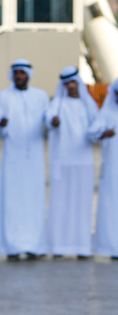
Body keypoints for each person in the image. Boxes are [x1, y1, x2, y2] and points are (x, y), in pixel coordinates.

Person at [46, 67, 112, 258]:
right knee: (61, 204)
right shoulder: (57, 103)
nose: (71, 86)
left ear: (78, 83)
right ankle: (59, 247)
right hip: (63, 162)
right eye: (67, 83)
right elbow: (49, 120)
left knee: (82, 204)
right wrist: (54, 122)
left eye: (73, 82)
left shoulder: (88, 104)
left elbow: (96, 128)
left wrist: (102, 133)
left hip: (83, 162)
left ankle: (82, 247)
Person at [0, 59, 49, 260]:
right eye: (16, 74)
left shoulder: (40, 96)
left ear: (28, 75)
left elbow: (48, 120)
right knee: (13, 201)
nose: (19, 77)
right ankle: (13, 247)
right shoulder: (4, 97)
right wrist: (1, 124)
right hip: (12, 159)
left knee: (34, 201)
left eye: (22, 73)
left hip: (35, 160)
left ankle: (35, 246)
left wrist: (53, 122)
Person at [95, 78, 118, 258]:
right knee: (112, 207)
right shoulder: (107, 113)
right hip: (112, 169)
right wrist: (103, 133)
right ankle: (113, 247)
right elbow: (92, 132)